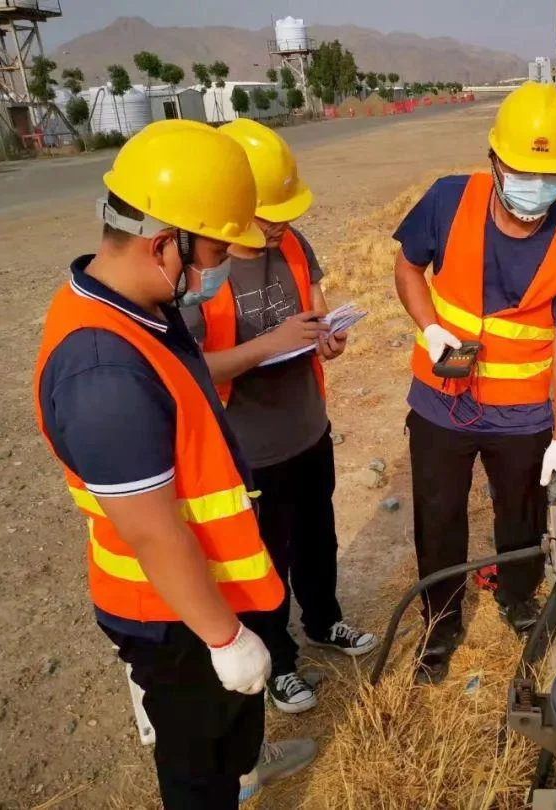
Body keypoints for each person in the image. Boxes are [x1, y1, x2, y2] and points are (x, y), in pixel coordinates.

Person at [33, 121, 316, 810]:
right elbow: (154, 531)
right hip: (174, 617)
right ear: (165, 244)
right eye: (216, 247)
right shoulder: (102, 368)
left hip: (207, 592)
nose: (220, 264)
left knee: (227, 735)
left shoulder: (142, 308)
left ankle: (243, 770)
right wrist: (224, 638)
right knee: (197, 766)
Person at [393, 81, 556, 683]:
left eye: (551, 174)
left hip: (523, 415)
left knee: (521, 512)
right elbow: (408, 266)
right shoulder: (447, 200)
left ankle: (516, 595)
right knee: (438, 515)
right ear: (494, 161)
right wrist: (429, 328)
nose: (535, 187)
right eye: (521, 171)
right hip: (440, 401)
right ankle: (442, 622)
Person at [181, 118, 377, 714]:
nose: (279, 227)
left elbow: (312, 307)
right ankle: (279, 661)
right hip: (248, 450)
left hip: (307, 430)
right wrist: (270, 344)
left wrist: (325, 337)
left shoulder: (292, 242)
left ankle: (325, 620)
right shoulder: (199, 271)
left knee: (319, 538)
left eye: (285, 215)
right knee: (265, 558)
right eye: (267, 216)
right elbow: (192, 369)